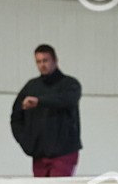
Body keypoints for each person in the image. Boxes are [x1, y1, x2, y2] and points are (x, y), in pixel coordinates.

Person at [11, 44, 82, 177]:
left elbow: (67, 100)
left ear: (55, 60)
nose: (42, 65)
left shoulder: (70, 84)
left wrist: (39, 101)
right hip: (39, 155)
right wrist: (26, 141)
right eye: (38, 61)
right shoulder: (31, 87)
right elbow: (16, 116)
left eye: (46, 60)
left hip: (64, 153)